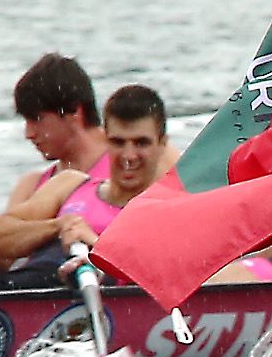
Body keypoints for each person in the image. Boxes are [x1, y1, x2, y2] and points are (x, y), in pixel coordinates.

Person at [0, 55, 108, 280]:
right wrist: (55, 228)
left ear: (73, 114)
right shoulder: (31, 186)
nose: (28, 133)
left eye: (36, 119)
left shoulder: (130, 164)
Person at [54, 85, 183, 252]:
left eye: (141, 143)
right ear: (105, 140)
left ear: (163, 144)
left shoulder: (174, 213)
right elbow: (8, 235)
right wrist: (59, 225)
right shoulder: (70, 184)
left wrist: (96, 244)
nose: (129, 156)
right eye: (118, 143)